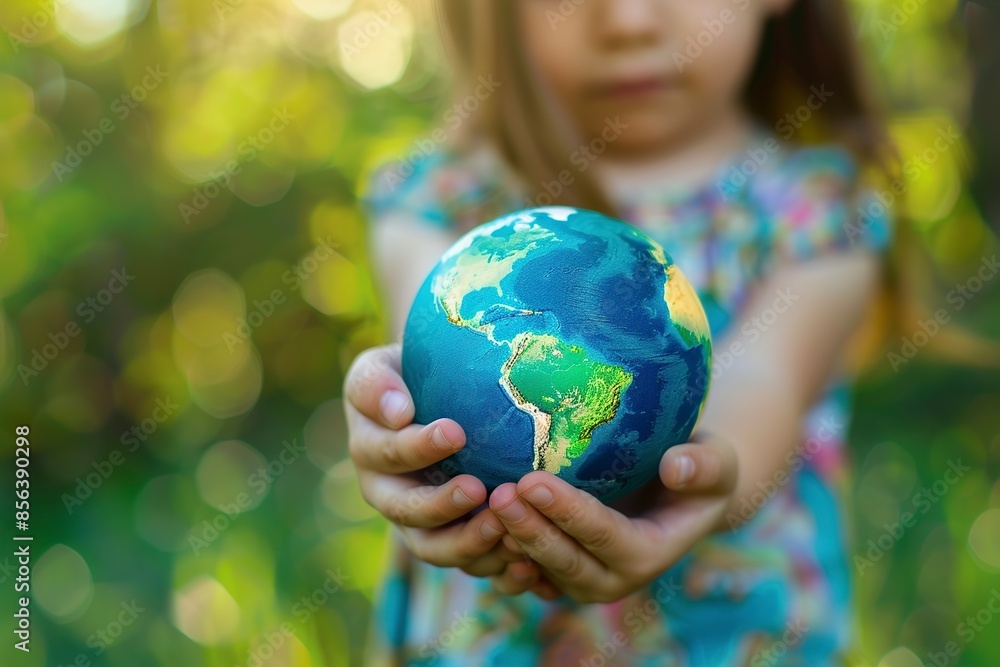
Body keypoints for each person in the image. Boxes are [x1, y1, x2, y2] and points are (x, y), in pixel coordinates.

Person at [345, 0, 894, 664]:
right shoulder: (441, 200)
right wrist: (397, 427)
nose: (629, 21)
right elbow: (431, 370)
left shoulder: (815, 215)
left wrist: (702, 473)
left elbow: (762, 379)